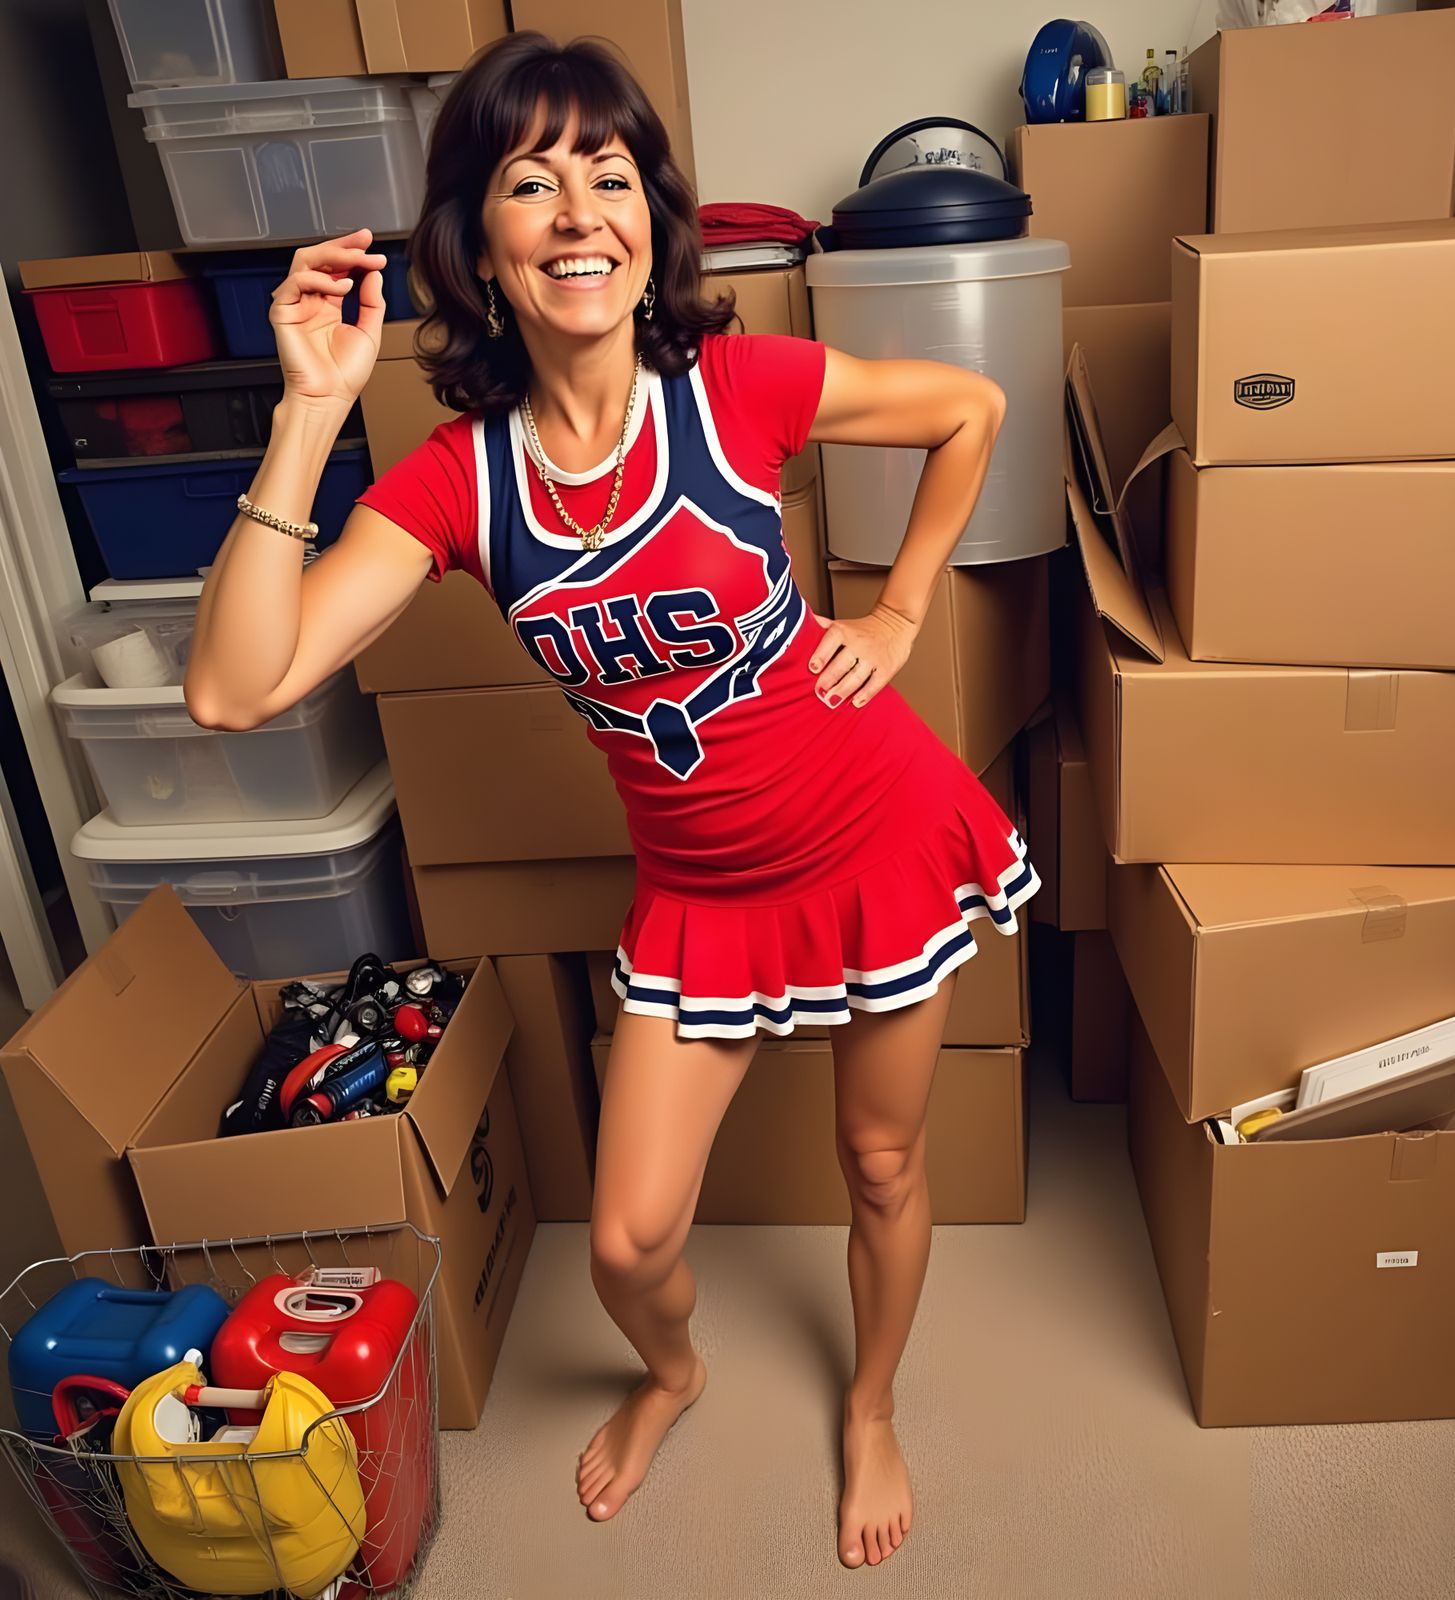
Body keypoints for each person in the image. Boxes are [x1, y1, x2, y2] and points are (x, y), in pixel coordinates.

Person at [184, 31, 1039, 1572]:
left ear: (651, 223)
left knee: (883, 1161)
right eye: (531, 180)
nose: (578, 207)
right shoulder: (458, 483)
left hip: (871, 837)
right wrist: (309, 411)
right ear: (483, 248)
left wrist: (901, 611)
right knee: (633, 1241)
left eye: (609, 173)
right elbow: (237, 689)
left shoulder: (735, 389)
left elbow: (970, 407)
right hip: (700, 896)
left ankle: (872, 1406)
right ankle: (676, 1375)